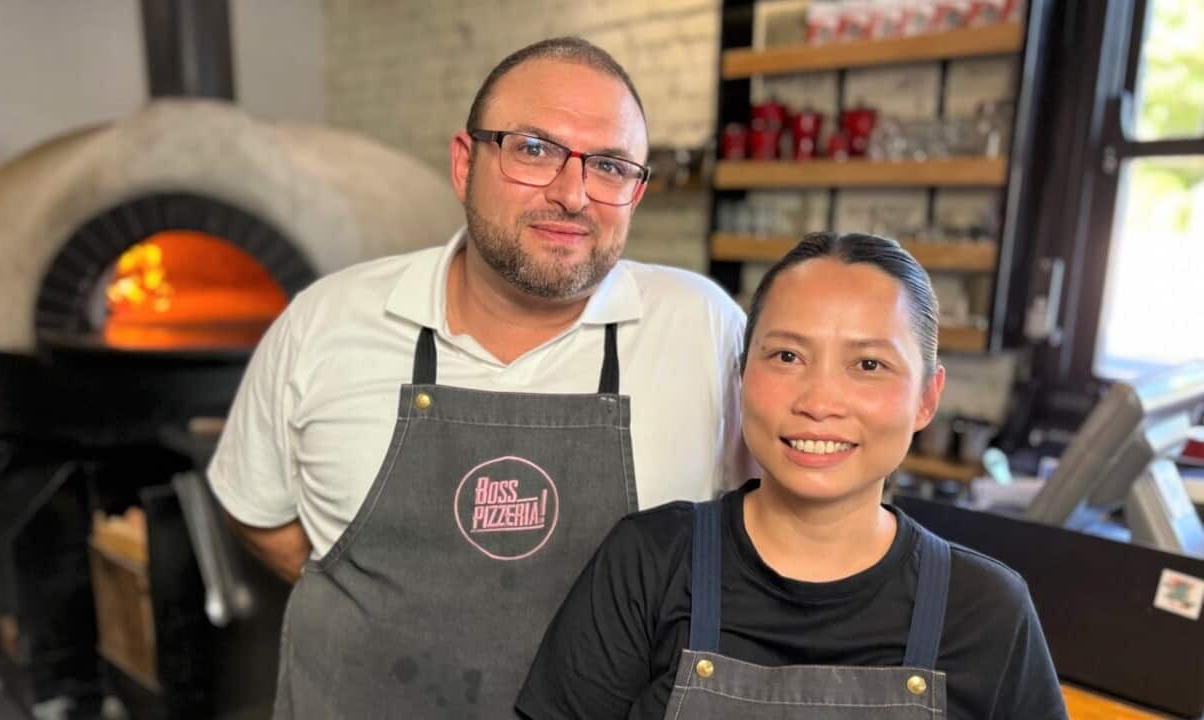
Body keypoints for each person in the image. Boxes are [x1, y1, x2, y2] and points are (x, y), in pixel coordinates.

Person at [207, 37, 751, 718]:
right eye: (532, 150)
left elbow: (769, 531)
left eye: (609, 165)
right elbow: (254, 505)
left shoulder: (703, 329)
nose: (572, 194)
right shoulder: (327, 322)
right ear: (464, 164)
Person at [517, 232, 1070, 720]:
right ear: (741, 374)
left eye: (869, 365)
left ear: (927, 399)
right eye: (786, 356)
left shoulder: (987, 609)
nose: (819, 401)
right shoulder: (649, 563)